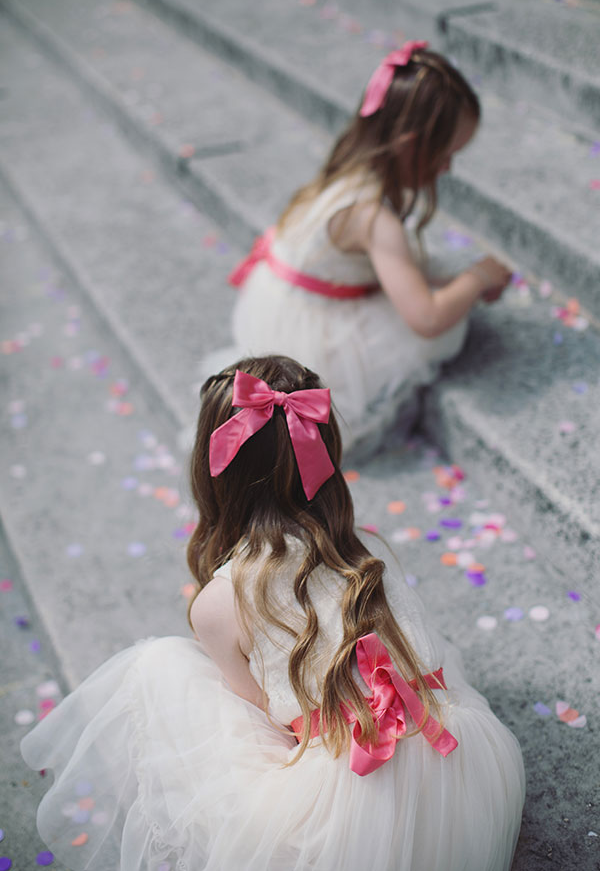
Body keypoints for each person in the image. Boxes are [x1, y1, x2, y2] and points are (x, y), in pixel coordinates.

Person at [22, 355, 524, 871]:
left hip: (345, 811)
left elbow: (267, 727)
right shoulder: (368, 551)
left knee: (159, 667)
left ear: (213, 470)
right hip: (462, 768)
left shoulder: (221, 604)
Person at [204, 41, 511, 457]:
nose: (448, 169)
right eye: (447, 154)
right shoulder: (372, 218)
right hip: (306, 340)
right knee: (443, 325)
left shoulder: (346, 168)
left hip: (274, 301)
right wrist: (478, 279)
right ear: (410, 144)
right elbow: (427, 318)